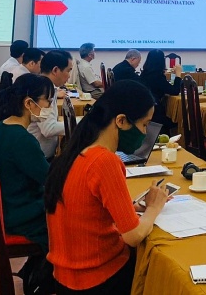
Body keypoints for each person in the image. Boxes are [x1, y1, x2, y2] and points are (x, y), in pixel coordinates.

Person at [44, 81, 168, 293]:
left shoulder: (75, 151)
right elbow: (133, 235)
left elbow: (85, 206)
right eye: (145, 125)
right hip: (98, 277)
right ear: (121, 121)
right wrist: (154, 208)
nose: (145, 132)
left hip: (65, 276)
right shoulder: (104, 161)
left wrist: (130, 207)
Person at [0, 73, 56, 251]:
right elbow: (49, 180)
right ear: (28, 103)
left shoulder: (3, 126)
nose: (49, 107)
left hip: (11, 204)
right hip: (23, 213)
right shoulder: (22, 140)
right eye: (48, 101)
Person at [30, 50, 73, 158]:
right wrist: (79, 122)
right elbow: (48, 129)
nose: (69, 76)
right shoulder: (44, 91)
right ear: (55, 70)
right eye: (68, 71)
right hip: (38, 156)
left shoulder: (44, 86)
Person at [138, 49, 181, 132]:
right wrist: (178, 75)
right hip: (156, 115)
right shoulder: (157, 77)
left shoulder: (144, 74)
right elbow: (175, 91)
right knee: (180, 119)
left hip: (144, 112)